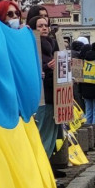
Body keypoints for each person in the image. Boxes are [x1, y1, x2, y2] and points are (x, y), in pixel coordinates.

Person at [28, 12, 64, 178]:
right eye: (40, 25)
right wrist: (48, 69)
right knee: (44, 138)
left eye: (46, 25)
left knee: (50, 138)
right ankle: (43, 175)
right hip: (43, 100)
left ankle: (47, 172)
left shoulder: (50, 47)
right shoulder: (34, 48)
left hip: (53, 99)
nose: (44, 28)